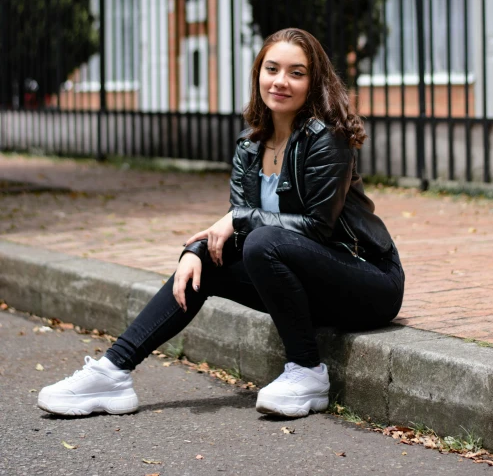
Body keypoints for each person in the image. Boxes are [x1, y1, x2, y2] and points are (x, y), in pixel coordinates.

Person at [38, 28, 404, 419]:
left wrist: (238, 218)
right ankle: (112, 372)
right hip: (312, 287)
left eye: (297, 73)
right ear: (258, 74)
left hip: (367, 280)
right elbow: (238, 232)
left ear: (313, 83)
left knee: (262, 242)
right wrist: (195, 251)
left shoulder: (328, 138)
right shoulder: (250, 148)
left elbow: (317, 228)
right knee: (207, 267)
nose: (281, 81)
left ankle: (307, 372)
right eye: (272, 69)